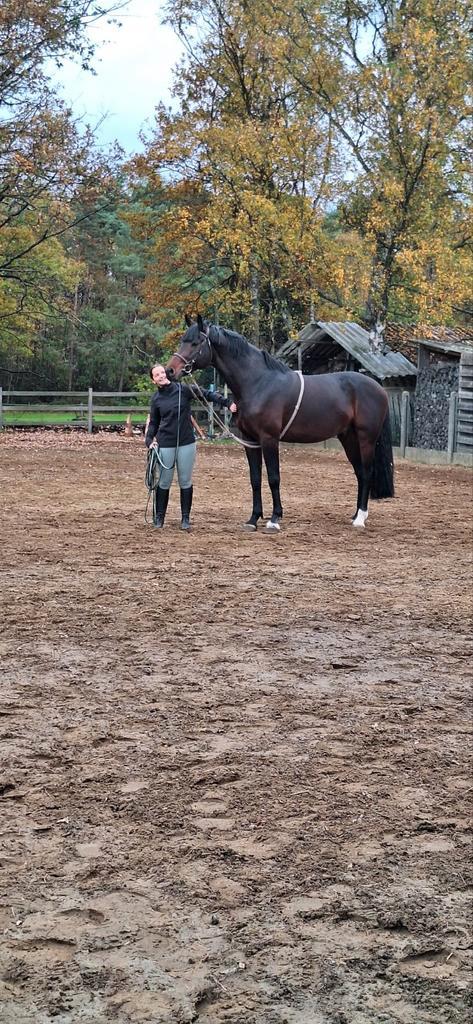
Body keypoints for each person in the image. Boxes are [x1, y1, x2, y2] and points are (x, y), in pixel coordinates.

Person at [145, 364, 237, 530]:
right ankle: (159, 518)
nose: (161, 375)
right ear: (153, 380)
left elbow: (206, 394)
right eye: (156, 374)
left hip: (186, 442)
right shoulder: (156, 399)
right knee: (164, 482)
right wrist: (149, 440)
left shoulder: (183, 390)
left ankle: (185, 519)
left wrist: (227, 402)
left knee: (185, 480)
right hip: (165, 443)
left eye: (162, 372)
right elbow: (154, 423)